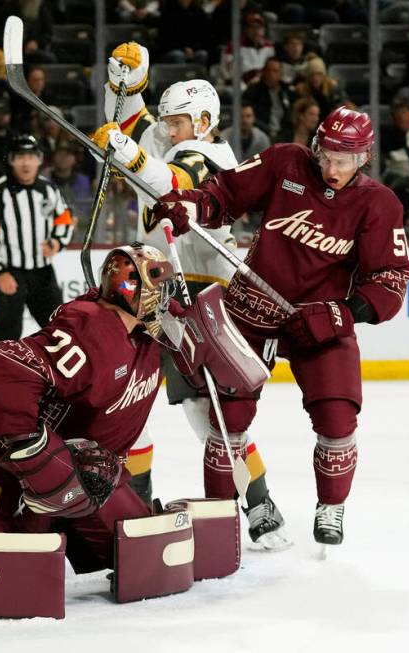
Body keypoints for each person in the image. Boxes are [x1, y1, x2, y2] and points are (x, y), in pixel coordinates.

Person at [149, 106, 409, 548]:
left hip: (319, 322)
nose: (331, 167)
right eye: (326, 155)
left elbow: (390, 278)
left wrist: (344, 313)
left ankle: (331, 505)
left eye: (343, 160)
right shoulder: (286, 162)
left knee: (337, 417)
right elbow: (225, 193)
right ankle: (219, 517)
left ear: (364, 157)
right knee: (226, 418)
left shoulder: (378, 203)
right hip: (250, 311)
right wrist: (190, 204)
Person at [89, 42, 288, 550]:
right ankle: (133, 505)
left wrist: (129, 154)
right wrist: (126, 81)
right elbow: (131, 124)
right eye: (168, 123)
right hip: (156, 291)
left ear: (202, 121)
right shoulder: (173, 136)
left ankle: (258, 498)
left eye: (176, 123)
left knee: (208, 413)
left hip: (200, 293)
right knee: (128, 398)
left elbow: (175, 185)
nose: (167, 129)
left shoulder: (214, 157)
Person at [0, 243, 233, 573]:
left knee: (145, 557)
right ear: (133, 289)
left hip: (88, 477)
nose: (165, 300)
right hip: (11, 472)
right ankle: (21, 534)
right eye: (158, 288)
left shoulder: (150, 325)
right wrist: (35, 452)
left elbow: (210, 344)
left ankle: (62, 527)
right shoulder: (90, 331)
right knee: (1, 566)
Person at [0, 134, 73, 346]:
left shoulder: (48, 189)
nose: (26, 163)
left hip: (43, 273)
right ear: (11, 160)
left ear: (39, 159)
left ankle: (62, 378)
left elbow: (64, 219)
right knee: (7, 334)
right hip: (11, 273)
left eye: (30, 156)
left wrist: (57, 242)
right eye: (20, 157)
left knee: (60, 330)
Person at [243, 58, 297, 140]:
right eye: (268, 70)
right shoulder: (253, 91)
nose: (271, 74)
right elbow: (246, 113)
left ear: (280, 74)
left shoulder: (286, 92)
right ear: (264, 72)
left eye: (275, 71)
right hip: (261, 134)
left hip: (284, 135)